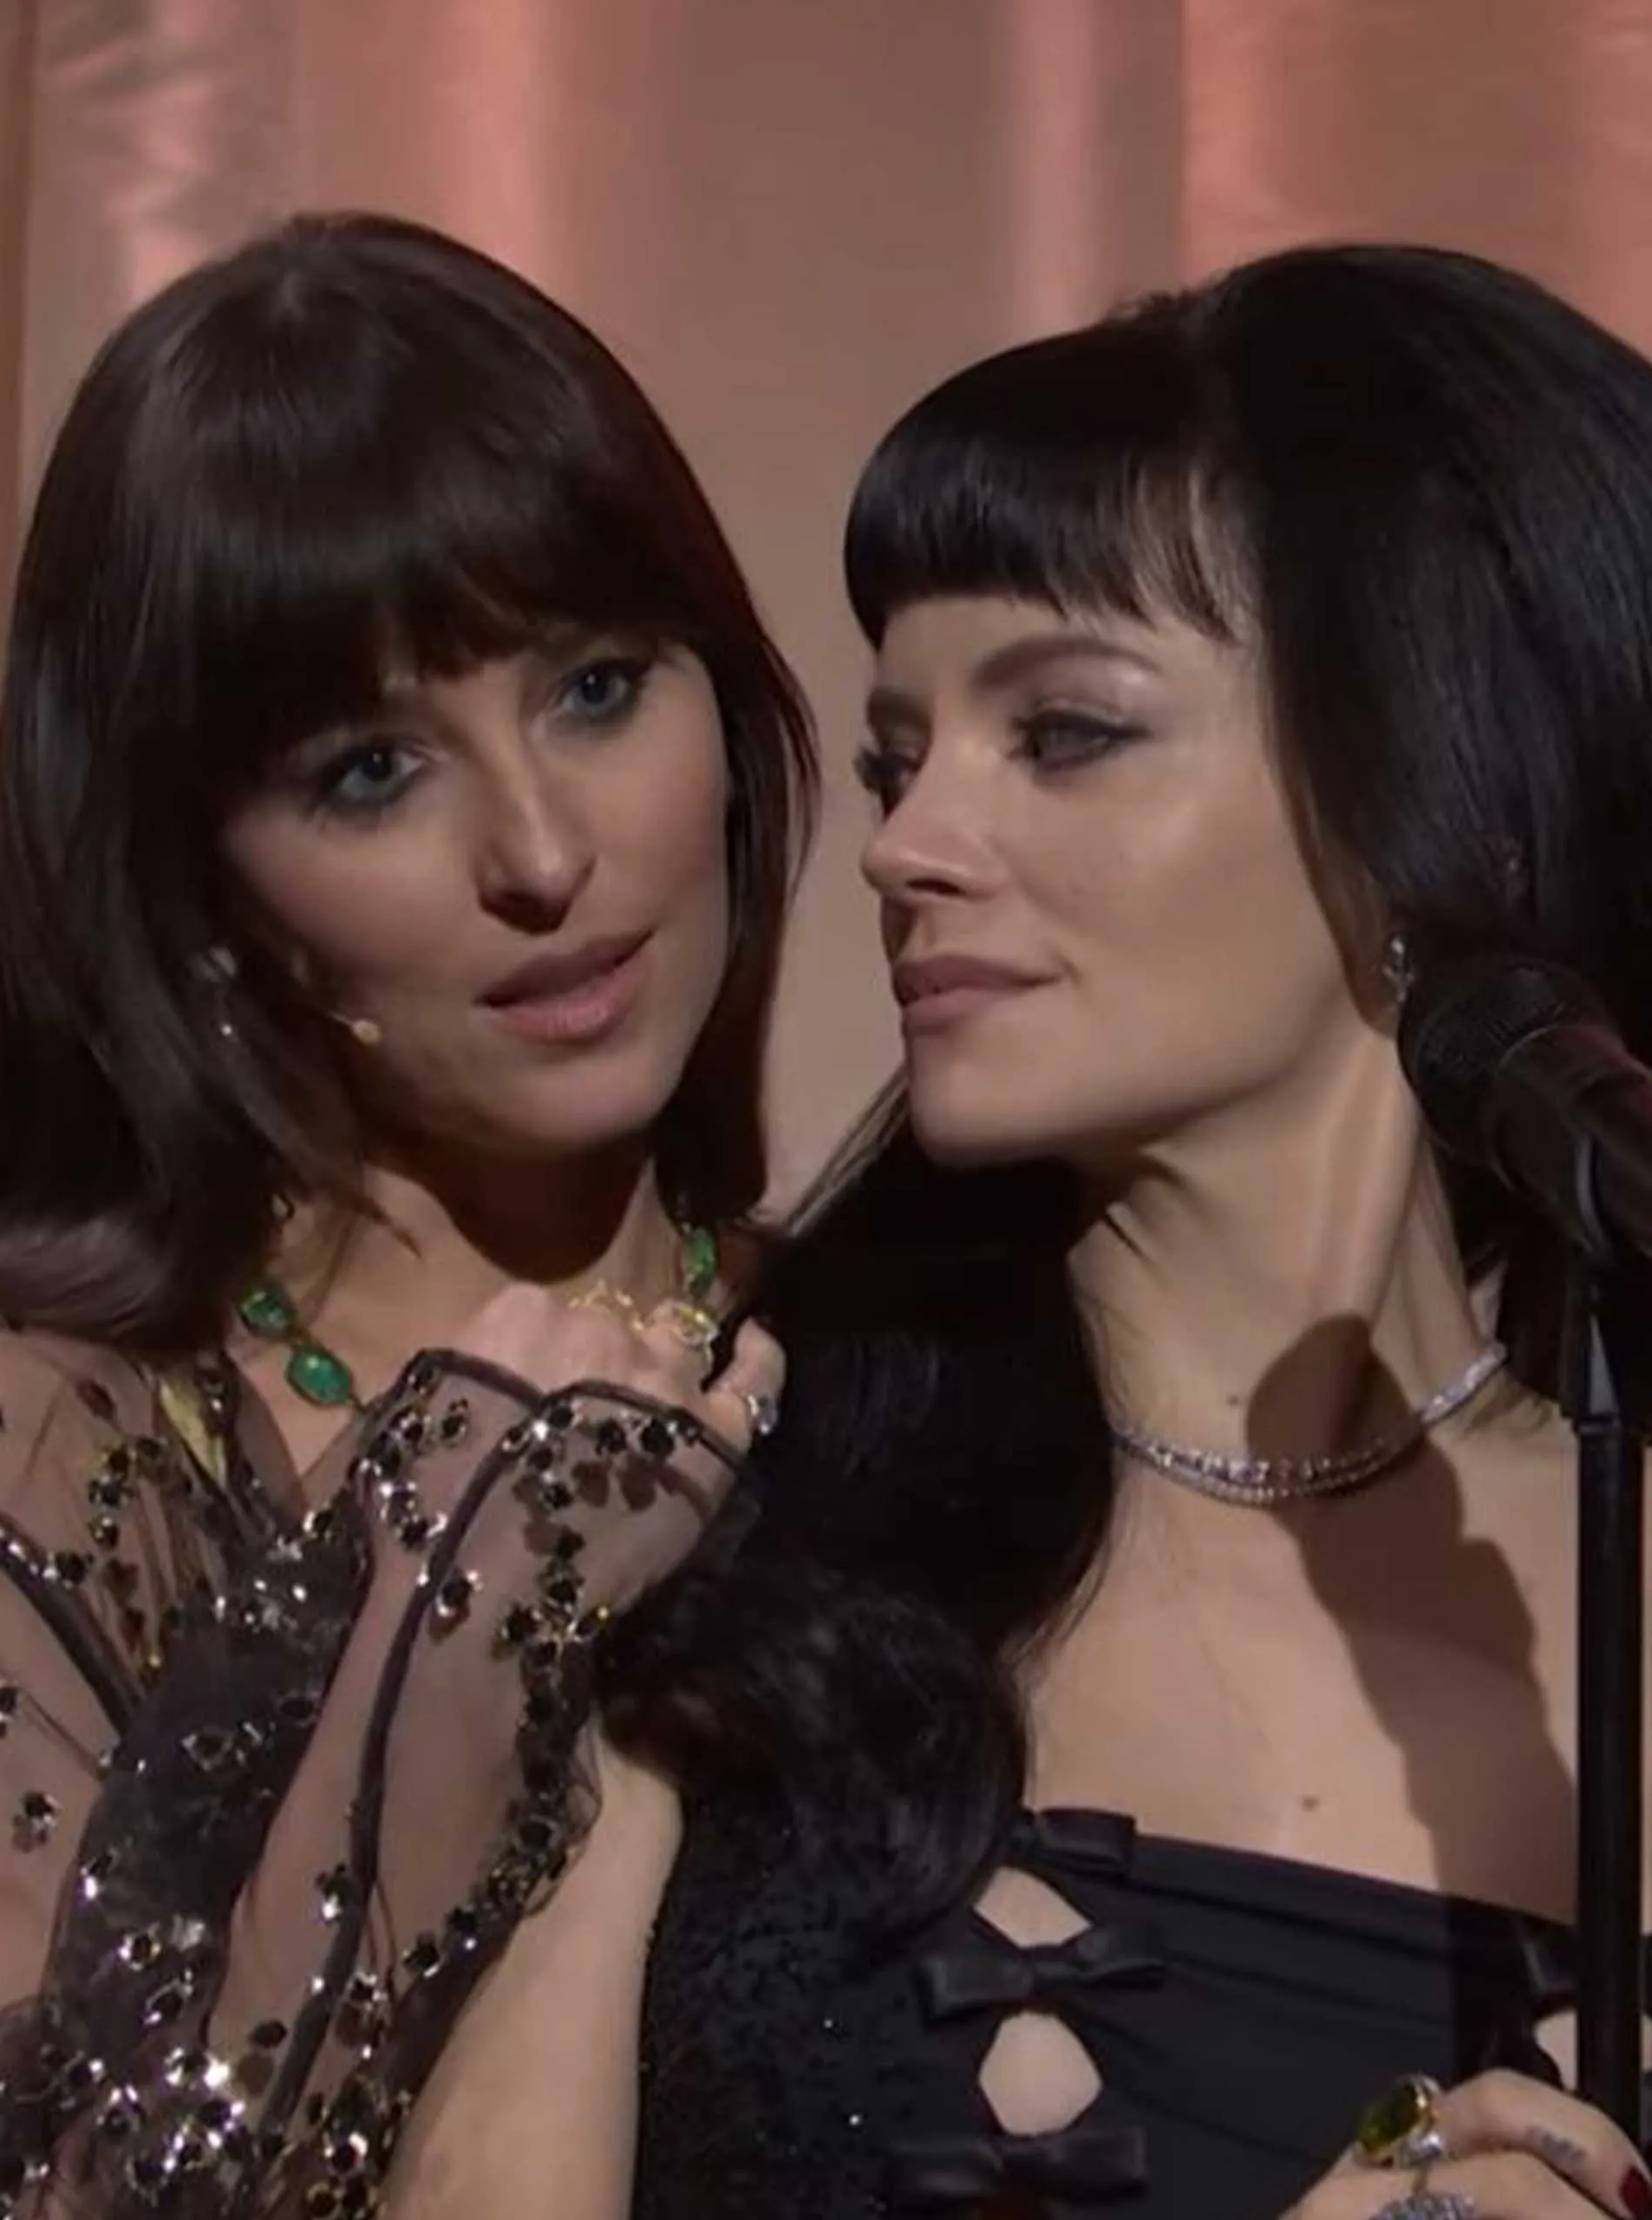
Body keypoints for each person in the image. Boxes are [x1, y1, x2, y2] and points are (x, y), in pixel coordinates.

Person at [394, 245, 1652, 2220]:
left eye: (1062, 732)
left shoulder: (1612, 1538)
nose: (907, 847)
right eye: (897, 760)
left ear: (1451, 799)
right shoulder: (705, 1515)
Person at [0, 210, 805, 2217]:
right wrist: (469, 1585)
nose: (542, 852)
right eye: (373, 771)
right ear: (200, 893)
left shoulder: (925, 1361)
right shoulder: (35, 1446)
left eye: (597, 685)